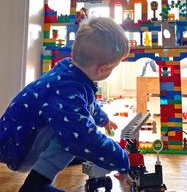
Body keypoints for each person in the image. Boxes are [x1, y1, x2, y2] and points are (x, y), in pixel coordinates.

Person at [0, 16, 130, 192]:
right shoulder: (67, 89)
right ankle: (35, 185)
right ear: (103, 69)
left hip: (18, 136)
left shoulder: (70, 72)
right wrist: (121, 159)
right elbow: (84, 135)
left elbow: (87, 103)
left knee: (74, 129)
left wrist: (103, 119)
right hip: (18, 146)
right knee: (74, 134)